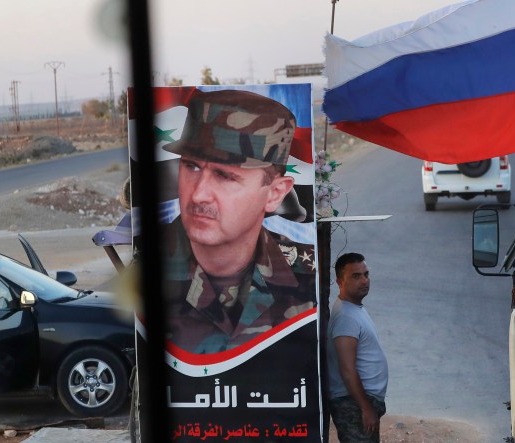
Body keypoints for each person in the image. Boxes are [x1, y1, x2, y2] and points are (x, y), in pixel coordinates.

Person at [161, 89, 316, 353]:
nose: (198, 195)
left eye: (225, 176)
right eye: (192, 166)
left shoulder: (308, 275)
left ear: (275, 193)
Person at [327, 253, 389, 443]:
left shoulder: (353, 309)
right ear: (340, 282)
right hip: (353, 404)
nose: (364, 280)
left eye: (366, 274)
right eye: (356, 276)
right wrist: (366, 407)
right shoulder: (346, 316)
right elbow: (347, 369)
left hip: (358, 402)